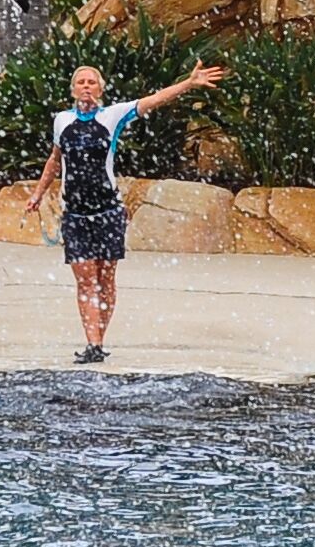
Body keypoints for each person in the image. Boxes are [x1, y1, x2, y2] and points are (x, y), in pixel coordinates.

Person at [29, 57, 223, 363]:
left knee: (105, 279)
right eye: (81, 82)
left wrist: (189, 83)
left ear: (101, 89)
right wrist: (38, 194)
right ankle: (92, 344)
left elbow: (155, 100)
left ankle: (99, 339)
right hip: (75, 213)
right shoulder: (61, 121)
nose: (86, 87)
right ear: (72, 90)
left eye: (92, 82)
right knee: (85, 279)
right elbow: (55, 159)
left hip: (108, 211)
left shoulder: (113, 116)